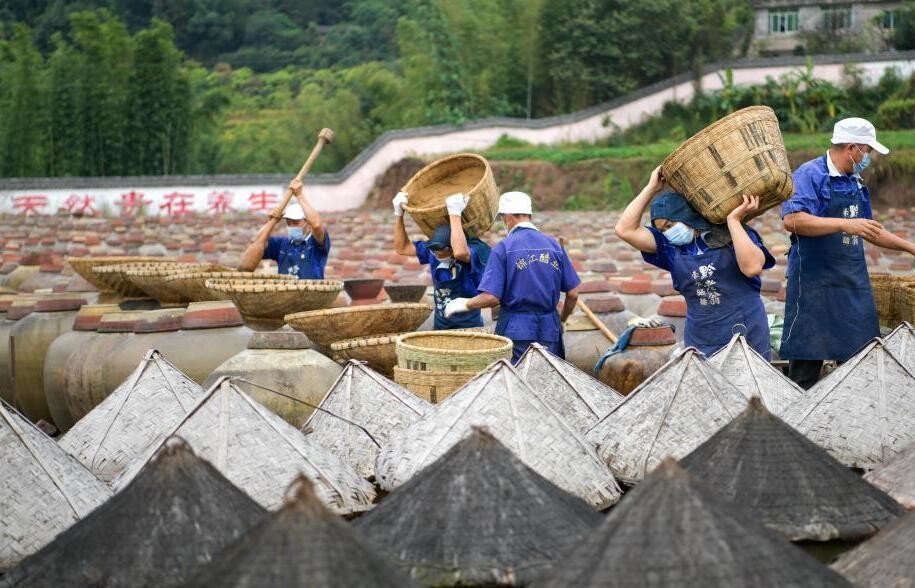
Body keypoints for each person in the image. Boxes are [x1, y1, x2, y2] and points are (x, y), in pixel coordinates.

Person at [780, 117, 915, 389]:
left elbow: (870, 230)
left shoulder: (855, 181)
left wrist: (911, 248)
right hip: (813, 284)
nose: (869, 157)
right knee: (806, 362)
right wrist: (844, 223)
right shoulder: (810, 175)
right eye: (868, 150)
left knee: (859, 363)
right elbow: (792, 220)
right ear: (852, 148)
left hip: (851, 282)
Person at [615, 166, 776, 359]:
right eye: (662, 229)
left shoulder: (732, 234)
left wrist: (733, 221)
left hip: (746, 333)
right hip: (701, 338)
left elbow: (752, 268)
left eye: (670, 225)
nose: (667, 233)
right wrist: (651, 188)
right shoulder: (671, 248)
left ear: (686, 217)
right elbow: (625, 229)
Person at [444, 191, 581, 362]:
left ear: (507, 217)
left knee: (516, 381)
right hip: (549, 328)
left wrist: (463, 304)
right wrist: (562, 320)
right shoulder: (554, 245)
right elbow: (573, 293)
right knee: (549, 380)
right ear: (529, 215)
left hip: (516, 329)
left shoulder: (503, 248)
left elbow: (491, 297)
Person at [392, 191, 490, 329]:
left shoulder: (476, 248)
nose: (438, 255)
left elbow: (461, 253)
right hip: (440, 326)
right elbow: (402, 248)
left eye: (442, 252)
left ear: (451, 248)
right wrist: (398, 215)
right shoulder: (433, 252)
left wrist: (455, 213)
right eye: (434, 252)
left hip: (469, 327)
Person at [238, 178, 330, 278]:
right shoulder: (282, 244)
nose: (291, 227)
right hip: (286, 293)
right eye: (288, 223)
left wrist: (299, 195)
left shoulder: (316, 243)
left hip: (311, 293)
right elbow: (255, 243)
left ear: (307, 223)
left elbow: (316, 225)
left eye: (296, 222)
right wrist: (271, 222)